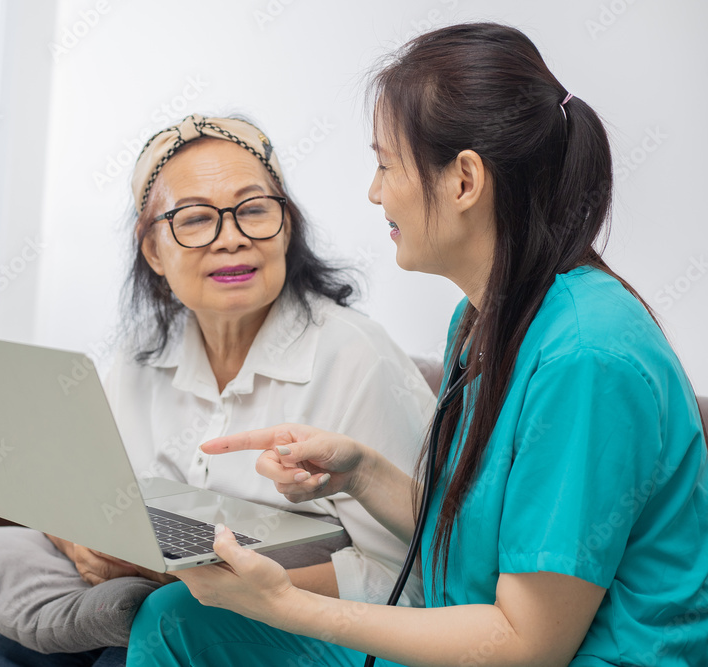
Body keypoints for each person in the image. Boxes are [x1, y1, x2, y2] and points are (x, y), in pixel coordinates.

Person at [127, 24, 708, 667]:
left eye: (384, 164)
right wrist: (360, 473)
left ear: (463, 181)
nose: (375, 192)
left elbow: (527, 645)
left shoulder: (586, 358)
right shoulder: (486, 317)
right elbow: (477, 538)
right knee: (177, 622)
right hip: (469, 625)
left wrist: (285, 604)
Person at [0, 114, 436, 666]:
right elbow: (95, 501)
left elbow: (415, 579)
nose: (231, 238)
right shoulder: (140, 357)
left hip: (326, 632)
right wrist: (77, 543)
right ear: (153, 249)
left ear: (288, 227)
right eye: (195, 219)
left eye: (255, 210)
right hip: (178, 600)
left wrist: (236, 583)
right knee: (4, 625)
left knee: (158, 627)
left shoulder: (355, 357)